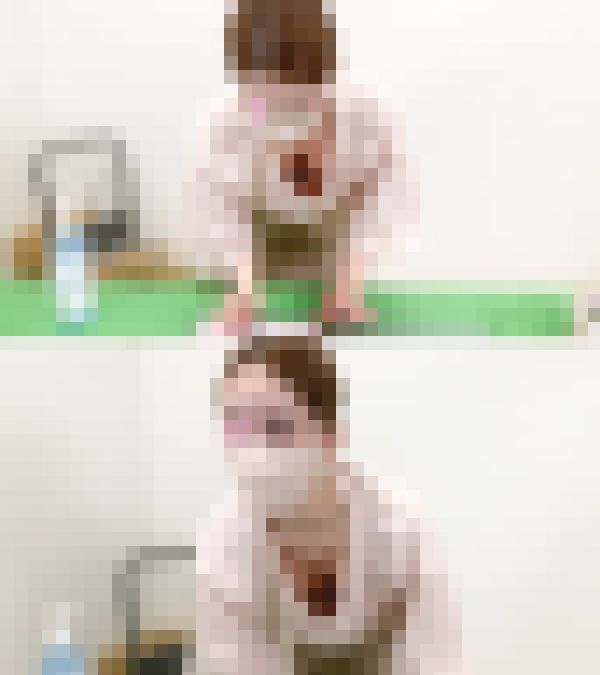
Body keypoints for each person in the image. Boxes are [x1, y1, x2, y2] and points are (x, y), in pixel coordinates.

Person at [196, 336, 461, 674]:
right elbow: (236, 663)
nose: (253, 453)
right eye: (237, 429)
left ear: (332, 433)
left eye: (275, 427)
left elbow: (436, 657)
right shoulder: (224, 543)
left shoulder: (401, 527)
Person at [189, 0, 413, 334]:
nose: (284, 98)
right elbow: (221, 217)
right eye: (265, 84)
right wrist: (243, 288)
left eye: (300, 85)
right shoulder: (223, 125)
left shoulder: (370, 114)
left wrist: (352, 279)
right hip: (259, 260)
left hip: (344, 258)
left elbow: (387, 204)